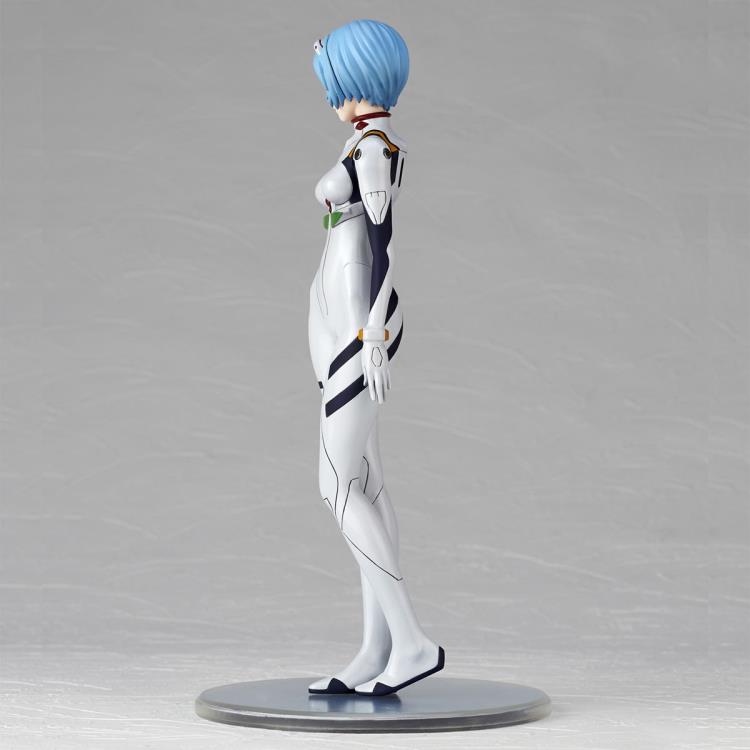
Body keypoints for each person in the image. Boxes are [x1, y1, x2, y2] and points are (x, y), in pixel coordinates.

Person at [307, 19, 444, 697]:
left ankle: (411, 642)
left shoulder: (372, 148)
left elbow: (385, 243)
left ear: (352, 75)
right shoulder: (365, 141)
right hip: (345, 321)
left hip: (360, 327)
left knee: (337, 485)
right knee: (366, 481)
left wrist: (372, 335)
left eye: (331, 77)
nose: (327, 91)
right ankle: (375, 648)